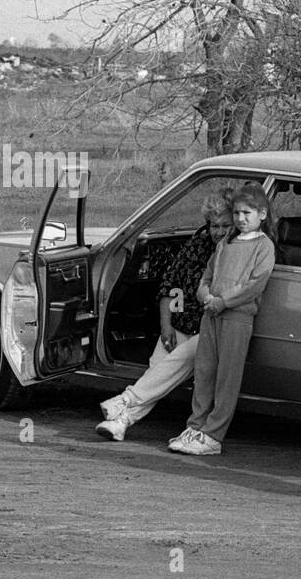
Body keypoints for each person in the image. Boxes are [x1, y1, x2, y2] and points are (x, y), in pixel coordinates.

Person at [97, 189, 234, 441]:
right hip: (181, 322)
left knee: (173, 364)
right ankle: (122, 421)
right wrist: (166, 324)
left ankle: (125, 400)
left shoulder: (237, 252)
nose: (219, 231)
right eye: (214, 225)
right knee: (157, 372)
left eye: (226, 225)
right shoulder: (197, 245)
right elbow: (171, 285)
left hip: (210, 329)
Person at [168, 184, 276, 456]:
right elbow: (206, 277)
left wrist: (223, 301)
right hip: (211, 315)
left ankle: (213, 434)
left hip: (237, 318)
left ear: (262, 214)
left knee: (228, 376)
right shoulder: (225, 243)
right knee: (204, 372)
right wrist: (206, 296)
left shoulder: (263, 246)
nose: (241, 219)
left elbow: (254, 284)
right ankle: (196, 426)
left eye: (247, 213)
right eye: (237, 213)